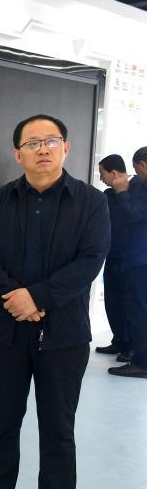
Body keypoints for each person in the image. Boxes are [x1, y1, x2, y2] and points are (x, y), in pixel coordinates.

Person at [0, 114, 110, 489]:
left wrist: (37, 297)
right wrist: (17, 299)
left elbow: (90, 260)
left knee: (58, 423)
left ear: (66, 148)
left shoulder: (91, 202)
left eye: (51, 141)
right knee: (3, 418)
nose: (43, 149)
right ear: (17, 153)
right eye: (33, 143)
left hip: (64, 335)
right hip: (5, 330)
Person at [107, 147, 147, 378]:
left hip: (141, 260)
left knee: (139, 310)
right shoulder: (141, 185)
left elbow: (134, 214)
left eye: (136, 168)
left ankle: (142, 362)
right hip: (138, 258)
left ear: (142, 165)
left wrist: (122, 191)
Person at [96, 154, 132, 362]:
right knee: (112, 301)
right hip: (112, 256)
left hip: (130, 259)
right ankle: (118, 340)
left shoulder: (135, 191)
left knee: (128, 303)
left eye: (102, 173)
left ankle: (130, 346)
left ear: (114, 173)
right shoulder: (107, 195)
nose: (101, 178)